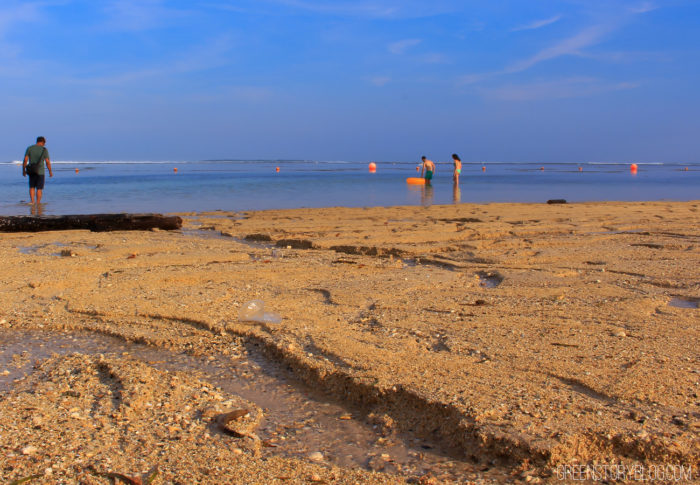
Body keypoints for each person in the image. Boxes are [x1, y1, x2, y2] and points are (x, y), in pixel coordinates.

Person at [22, 136, 53, 206]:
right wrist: (50, 171)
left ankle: (32, 202)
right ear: (42, 142)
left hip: (31, 171)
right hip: (40, 172)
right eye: (44, 142)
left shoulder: (30, 148)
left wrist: (23, 170)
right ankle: (38, 203)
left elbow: (25, 160)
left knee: (32, 187)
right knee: (39, 188)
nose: (45, 144)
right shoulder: (44, 150)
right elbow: (47, 162)